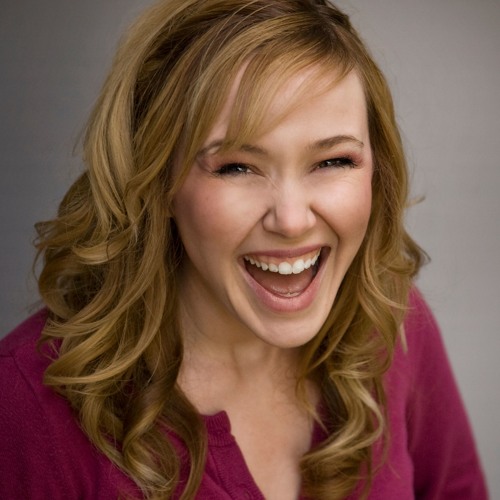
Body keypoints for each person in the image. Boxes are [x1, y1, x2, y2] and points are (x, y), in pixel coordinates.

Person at [0, 0, 488, 498]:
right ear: (156, 181)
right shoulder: (24, 405)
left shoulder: (393, 326)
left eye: (333, 161)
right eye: (236, 167)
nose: (292, 220)